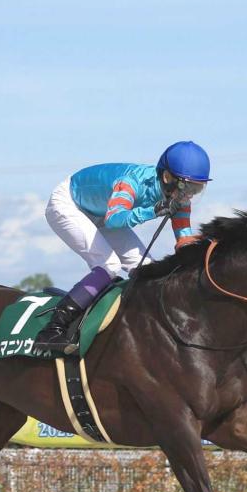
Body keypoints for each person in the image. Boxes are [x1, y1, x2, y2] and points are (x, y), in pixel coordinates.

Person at [35, 141, 212, 353]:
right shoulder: (131, 182)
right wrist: (153, 211)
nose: (190, 195)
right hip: (69, 204)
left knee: (148, 270)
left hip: (102, 212)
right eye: (189, 187)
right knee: (109, 265)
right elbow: (114, 220)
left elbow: (183, 240)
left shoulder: (179, 196)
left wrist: (207, 250)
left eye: (197, 188)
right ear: (167, 177)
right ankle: (53, 329)